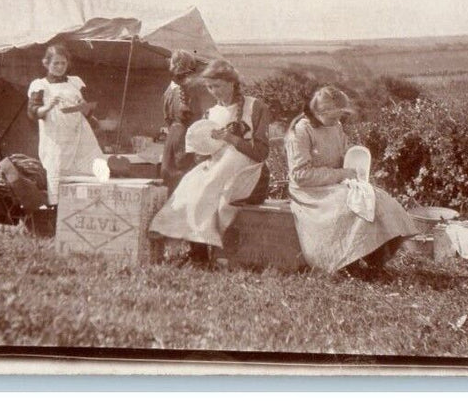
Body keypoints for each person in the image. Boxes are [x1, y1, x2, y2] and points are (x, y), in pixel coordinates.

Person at [285, 86, 418, 276]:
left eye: (339, 117)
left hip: (335, 184)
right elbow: (300, 176)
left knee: (379, 200)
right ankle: (347, 261)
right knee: (349, 208)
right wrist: (341, 174)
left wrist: (356, 158)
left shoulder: (335, 126)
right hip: (310, 191)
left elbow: (342, 154)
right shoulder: (301, 131)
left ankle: (375, 260)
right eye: (332, 117)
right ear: (319, 112)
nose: (337, 121)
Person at [149, 59, 271, 265]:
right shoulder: (211, 112)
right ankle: (196, 250)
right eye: (210, 87)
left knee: (208, 185)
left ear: (232, 83)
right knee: (189, 184)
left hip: (249, 170)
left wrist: (231, 139)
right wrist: (201, 148)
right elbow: (205, 153)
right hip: (219, 167)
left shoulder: (255, 107)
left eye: (218, 86)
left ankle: (205, 252)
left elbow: (261, 153)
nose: (214, 91)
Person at [27, 44, 104, 205]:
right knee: (57, 172)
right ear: (46, 63)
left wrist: (83, 105)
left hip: (80, 135)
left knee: (90, 168)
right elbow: (33, 113)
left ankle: (86, 207)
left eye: (63, 63)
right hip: (56, 138)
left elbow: (88, 112)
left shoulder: (75, 82)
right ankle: (58, 212)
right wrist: (48, 107)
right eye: (56, 63)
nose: (60, 67)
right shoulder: (40, 85)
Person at [159, 50, 210, 191]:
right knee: (183, 177)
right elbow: (196, 117)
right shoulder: (189, 89)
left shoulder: (169, 89)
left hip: (172, 135)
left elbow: (166, 116)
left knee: (169, 175)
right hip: (185, 136)